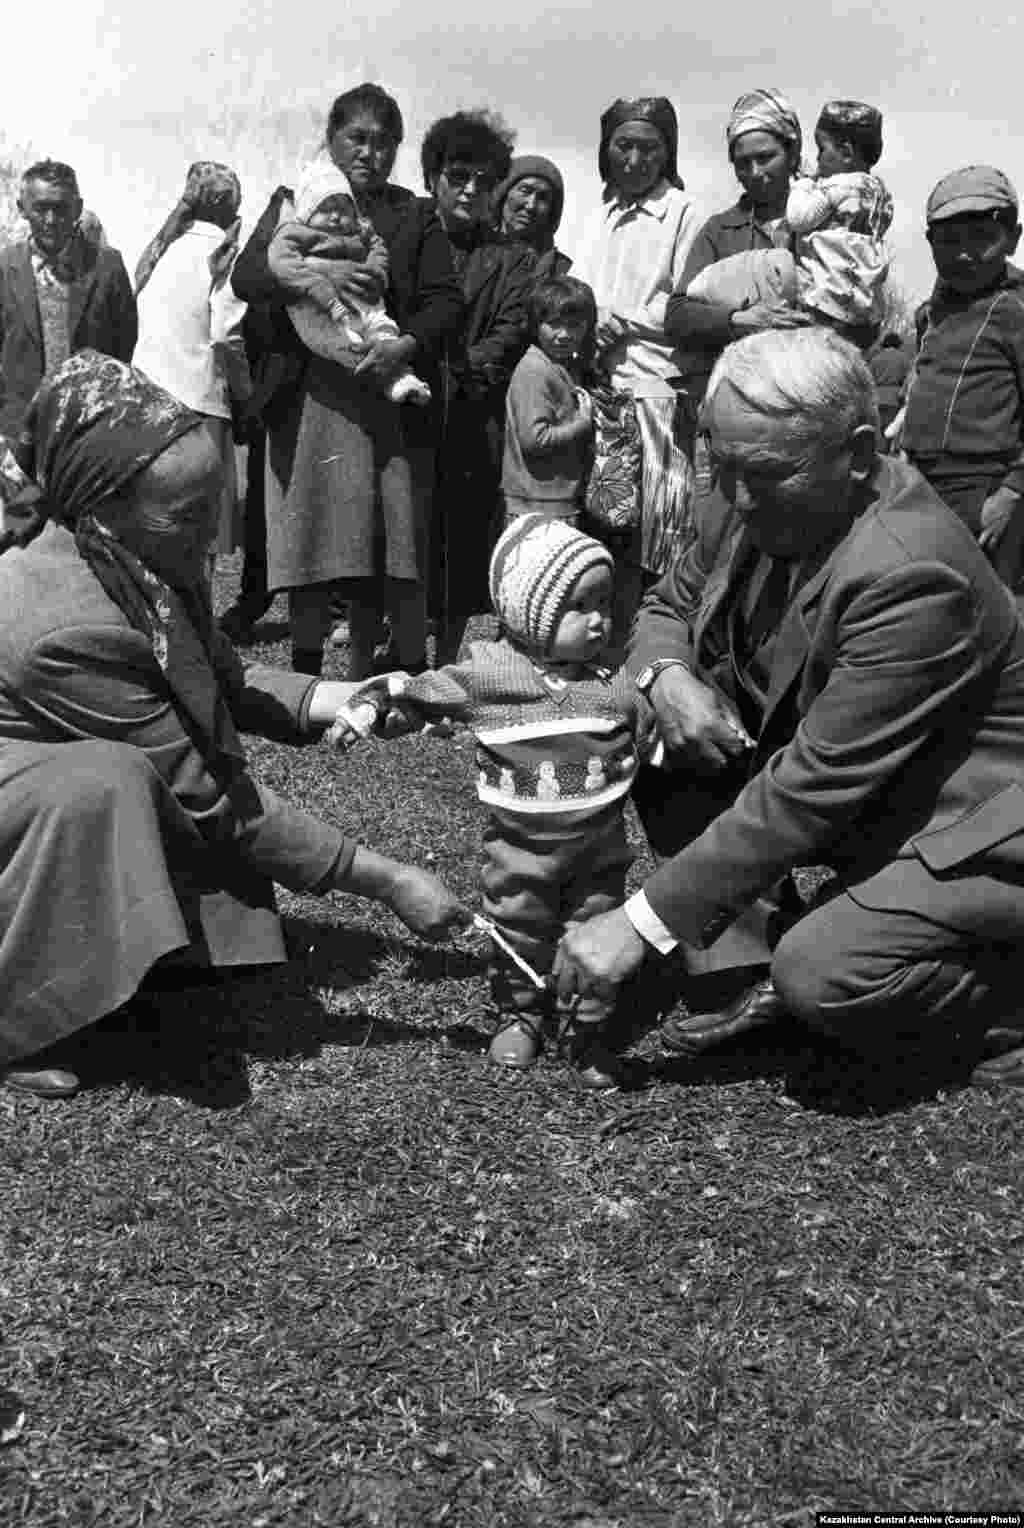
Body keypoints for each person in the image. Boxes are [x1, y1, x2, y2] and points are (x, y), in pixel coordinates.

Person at [551, 327, 1024, 1090]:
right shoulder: (753, 488)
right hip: (872, 800)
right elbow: (666, 607)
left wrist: (637, 924)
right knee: (653, 729)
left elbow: (812, 788)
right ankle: (742, 965)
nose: (734, 497)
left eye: (763, 474)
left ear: (861, 453)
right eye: (722, 465)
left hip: (975, 831)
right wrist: (666, 678)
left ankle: (1004, 997)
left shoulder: (913, 572)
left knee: (825, 978)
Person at [0, 351, 468, 1100]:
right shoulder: (60, 622)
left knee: (119, 779)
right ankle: (17, 1018)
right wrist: (389, 882)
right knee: (107, 783)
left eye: (214, 506)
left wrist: (353, 697)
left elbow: (230, 679)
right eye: (186, 516)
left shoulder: (141, 555)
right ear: (103, 503)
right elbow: (212, 802)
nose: (209, 539)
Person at [337, 514, 657, 1087]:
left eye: (605, 604)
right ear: (528, 614)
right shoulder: (491, 675)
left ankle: (585, 1027)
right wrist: (373, 711)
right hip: (518, 850)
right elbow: (422, 691)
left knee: (593, 928)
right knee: (519, 926)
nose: (598, 620)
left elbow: (649, 728)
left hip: (600, 851)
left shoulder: (614, 683)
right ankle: (519, 1014)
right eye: (579, 607)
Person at [230, 84, 463, 680]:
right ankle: (306, 670)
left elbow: (444, 301)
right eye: (357, 138)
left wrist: (401, 349)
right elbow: (248, 276)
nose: (370, 153)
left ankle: (367, 674)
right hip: (307, 397)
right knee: (309, 535)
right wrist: (316, 277)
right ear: (331, 141)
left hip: (380, 397)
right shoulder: (295, 202)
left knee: (374, 539)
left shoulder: (412, 215)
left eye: (385, 143)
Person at [573, 96, 701, 634]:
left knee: (661, 533)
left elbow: (689, 299)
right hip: (604, 390)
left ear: (667, 152)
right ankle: (612, 649)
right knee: (610, 529)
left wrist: (621, 319)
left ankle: (657, 647)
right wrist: (592, 316)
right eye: (623, 145)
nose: (634, 158)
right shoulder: (599, 216)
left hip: (658, 390)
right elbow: (578, 289)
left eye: (649, 147)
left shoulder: (684, 214)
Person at [423, 110, 536, 663]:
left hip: (471, 416)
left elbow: (512, 328)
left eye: (485, 181)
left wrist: (459, 369)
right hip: (409, 412)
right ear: (433, 179)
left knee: (462, 540)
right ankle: (394, 657)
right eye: (458, 176)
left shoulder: (512, 259)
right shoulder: (408, 242)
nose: (471, 190)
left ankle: (445, 658)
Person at [901, 165, 1024, 591]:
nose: (964, 255)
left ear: (1013, 237)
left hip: (984, 488)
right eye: (949, 243)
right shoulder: (933, 312)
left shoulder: (1014, 310)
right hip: (922, 483)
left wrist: (1011, 493)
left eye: (981, 240)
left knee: (989, 605)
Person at [665, 88, 804, 460]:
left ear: (792, 153)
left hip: (807, 407)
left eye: (765, 158)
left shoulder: (827, 226)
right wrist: (739, 320)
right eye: (743, 163)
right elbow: (677, 315)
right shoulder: (720, 231)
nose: (754, 172)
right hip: (737, 409)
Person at [132, 161, 250, 557]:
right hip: (200, 407)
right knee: (199, 542)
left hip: (146, 406)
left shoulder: (160, 250)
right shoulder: (226, 255)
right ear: (230, 208)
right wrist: (245, 391)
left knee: (154, 533)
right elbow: (225, 335)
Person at [268, 159, 431, 405]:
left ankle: (400, 374)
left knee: (381, 325)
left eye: (343, 208)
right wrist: (316, 281)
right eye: (324, 208)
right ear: (307, 212)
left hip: (361, 296)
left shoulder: (361, 229)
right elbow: (281, 261)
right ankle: (383, 376)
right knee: (339, 338)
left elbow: (378, 247)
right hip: (318, 304)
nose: (335, 216)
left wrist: (376, 271)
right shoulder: (294, 232)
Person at [0, 160, 137, 440]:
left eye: (60, 209)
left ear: (77, 208)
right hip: (18, 434)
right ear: (22, 208)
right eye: (40, 208)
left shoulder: (107, 266)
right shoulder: (5, 267)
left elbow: (123, 345)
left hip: (88, 432)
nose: (50, 220)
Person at [783, 100, 892, 345]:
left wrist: (803, 183)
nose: (819, 159)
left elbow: (798, 218)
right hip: (862, 305)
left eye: (822, 149)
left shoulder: (838, 186)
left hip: (827, 300)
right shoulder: (878, 191)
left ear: (845, 152)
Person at [501, 275, 595, 524]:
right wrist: (582, 425)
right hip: (538, 507)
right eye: (554, 324)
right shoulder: (535, 371)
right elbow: (535, 439)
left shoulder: (560, 366)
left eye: (574, 325)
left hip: (553, 501)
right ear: (535, 325)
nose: (564, 334)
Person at [493, 155, 572, 280]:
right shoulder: (471, 252)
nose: (531, 205)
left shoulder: (558, 274)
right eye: (525, 191)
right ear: (504, 193)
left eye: (543, 197)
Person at [869, 331, 911, 438]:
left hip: (877, 397)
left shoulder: (875, 359)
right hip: (895, 397)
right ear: (898, 343)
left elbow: (869, 380)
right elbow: (908, 380)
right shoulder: (904, 359)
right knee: (890, 431)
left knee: (878, 430)